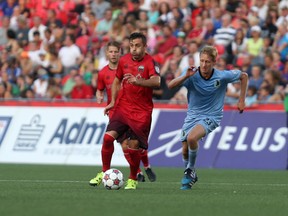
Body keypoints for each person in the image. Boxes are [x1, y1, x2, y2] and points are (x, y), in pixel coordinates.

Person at [168, 46, 248, 190]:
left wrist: (241, 100)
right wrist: (185, 76)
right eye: (202, 61)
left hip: (212, 116)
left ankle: (190, 171)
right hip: (192, 116)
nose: (204, 65)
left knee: (192, 138)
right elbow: (170, 86)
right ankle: (190, 175)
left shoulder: (222, 76)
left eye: (207, 62)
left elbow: (244, 76)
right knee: (185, 150)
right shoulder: (192, 75)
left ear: (214, 62)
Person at [89, 32, 160, 190]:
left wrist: (139, 81)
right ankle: (105, 172)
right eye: (132, 46)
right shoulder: (124, 61)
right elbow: (116, 81)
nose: (134, 49)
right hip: (122, 108)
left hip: (141, 113)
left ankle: (133, 178)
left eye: (137, 46)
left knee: (133, 147)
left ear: (144, 46)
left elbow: (157, 81)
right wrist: (113, 102)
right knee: (108, 138)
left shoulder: (150, 62)